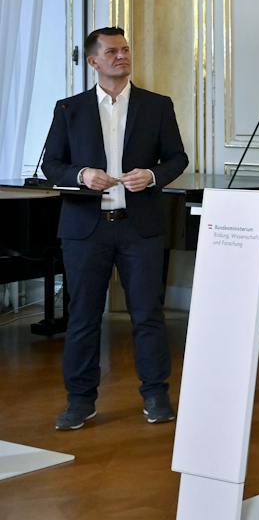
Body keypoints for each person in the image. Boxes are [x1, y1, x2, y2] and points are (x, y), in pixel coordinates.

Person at [41, 27, 189, 430]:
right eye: (111, 51)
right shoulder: (68, 108)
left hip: (139, 228)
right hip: (84, 229)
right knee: (83, 317)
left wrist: (153, 175)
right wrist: (83, 174)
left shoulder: (157, 106)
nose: (121, 56)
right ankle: (80, 401)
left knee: (148, 315)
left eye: (125, 50)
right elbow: (50, 165)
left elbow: (177, 158)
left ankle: (156, 395)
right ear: (93, 61)